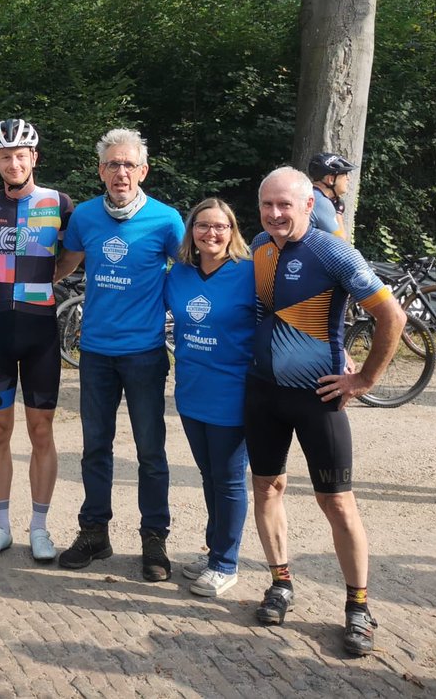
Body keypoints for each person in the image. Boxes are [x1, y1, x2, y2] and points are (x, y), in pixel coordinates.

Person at [246, 166, 405, 657]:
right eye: (268, 204)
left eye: (285, 204)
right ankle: (280, 582)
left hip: (318, 397)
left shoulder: (332, 250)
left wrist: (365, 379)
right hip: (263, 393)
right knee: (266, 488)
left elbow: (392, 315)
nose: (275, 213)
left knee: (336, 502)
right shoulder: (258, 246)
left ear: (308, 205)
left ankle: (358, 606)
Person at [53, 128, 185, 581]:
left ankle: (154, 539)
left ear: (143, 171)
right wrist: (22, 285)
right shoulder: (85, 216)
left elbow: (192, 270)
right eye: (113, 164)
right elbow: (65, 263)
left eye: (129, 164)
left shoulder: (167, 220)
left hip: (144, 353)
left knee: (150, 451)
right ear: (101, 171)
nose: (121, 172)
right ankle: (94, 533)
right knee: (95, 447)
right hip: (95, 353)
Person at [0, 119, 74, 564]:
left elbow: (75, 250)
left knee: (41, 430)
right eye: (5, 156)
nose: (14, 163)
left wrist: (51, 277)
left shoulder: (59, 203)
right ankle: (0, 526)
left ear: (34, 158)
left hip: (40, 329)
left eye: (21, 155)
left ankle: (40, 528)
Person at [164, 198, 255, 598]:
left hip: (233, 392)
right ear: (192, 231)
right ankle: (214, 550)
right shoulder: (180, 274)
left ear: (232, 231)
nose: (211, 233)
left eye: (220, 226)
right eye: (203, 225)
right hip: (191, 390)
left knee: (230, 480)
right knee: (209, 475)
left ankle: (225, 563)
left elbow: (286, 317)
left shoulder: (250, 273)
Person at [307, 152, 356, 240]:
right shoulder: (321, 202)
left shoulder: (310, 193)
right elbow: (340, 241)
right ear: (331, 179)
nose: (348, 178)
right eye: (345, 174)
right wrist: (338, 212)